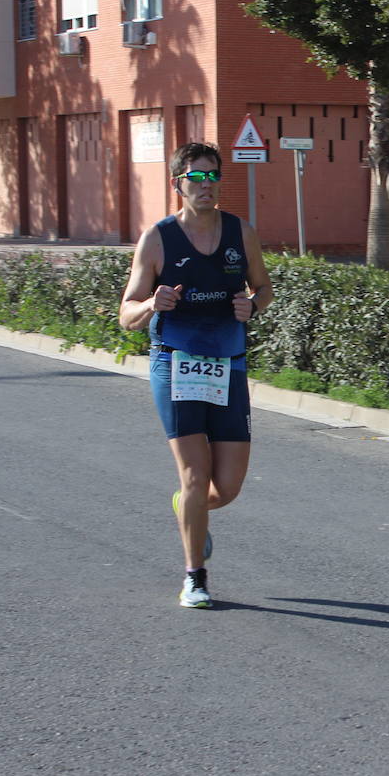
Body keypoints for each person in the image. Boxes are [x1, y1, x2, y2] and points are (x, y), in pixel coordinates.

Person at [119, 142, 273, 609]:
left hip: (228, 362)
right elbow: (126, 312)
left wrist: (254, 305)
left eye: (212, 177)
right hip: (176, 361)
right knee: (193, 475)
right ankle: (195, 577)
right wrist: (151, 305)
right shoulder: (158, 238)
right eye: (195, 178)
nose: (205, 186)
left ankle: (190, 514)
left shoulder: (239, 231)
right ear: (178, 185)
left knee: (225, 488)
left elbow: (263, 287)